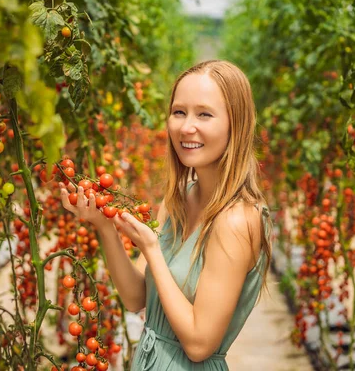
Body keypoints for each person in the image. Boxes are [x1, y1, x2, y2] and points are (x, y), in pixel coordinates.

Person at [59, 59, 272, 370]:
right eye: (179, 112)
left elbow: (199, 344)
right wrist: (104, 227)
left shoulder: (237, 221)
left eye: (205, 114)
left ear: (235, 125)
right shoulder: (178, 200)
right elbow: (136, 297)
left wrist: (151, 249)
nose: (186, 127)